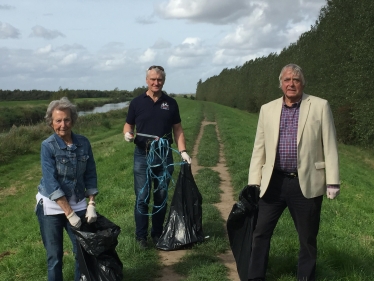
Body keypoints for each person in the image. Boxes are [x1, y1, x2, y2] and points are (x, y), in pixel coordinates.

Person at [247, 64, 340, 281]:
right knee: (260, 233)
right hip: (273, 182)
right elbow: (258, 148)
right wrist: (254, 181)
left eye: (296, 80)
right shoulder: (267, 109)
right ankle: (255, 277)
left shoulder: (319, 106)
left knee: (307, 239)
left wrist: (333, 181)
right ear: (281, 84)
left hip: (306, 183)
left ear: (303, 83)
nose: (291, 84)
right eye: (287, 80)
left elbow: (330, 145)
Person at [123, 65, 191, 249]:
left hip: (164, 155)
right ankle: (141, 237)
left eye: (159, 80)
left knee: (161, 196)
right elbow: (128, 125)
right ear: (146, 80)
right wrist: (128, 134)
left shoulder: (171, 103)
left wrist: (183, 151)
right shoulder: (137, 102)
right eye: (152, 79)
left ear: (164, 81)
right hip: (142, 156)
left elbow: (177, 129)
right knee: (142, 197)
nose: (156, 82)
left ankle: (157, 233)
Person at [35, 97, 99, 281]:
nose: (63, 124)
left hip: (78, 203)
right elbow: (51, 182)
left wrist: (91, 203)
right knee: (54, 257)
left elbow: (91, 174)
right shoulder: (47, 146)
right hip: (51, 207)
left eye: (67, 119)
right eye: (58, 120)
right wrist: (70, 214)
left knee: (82, 252)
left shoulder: (84, 143)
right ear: (51, 122)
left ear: (73, 120)